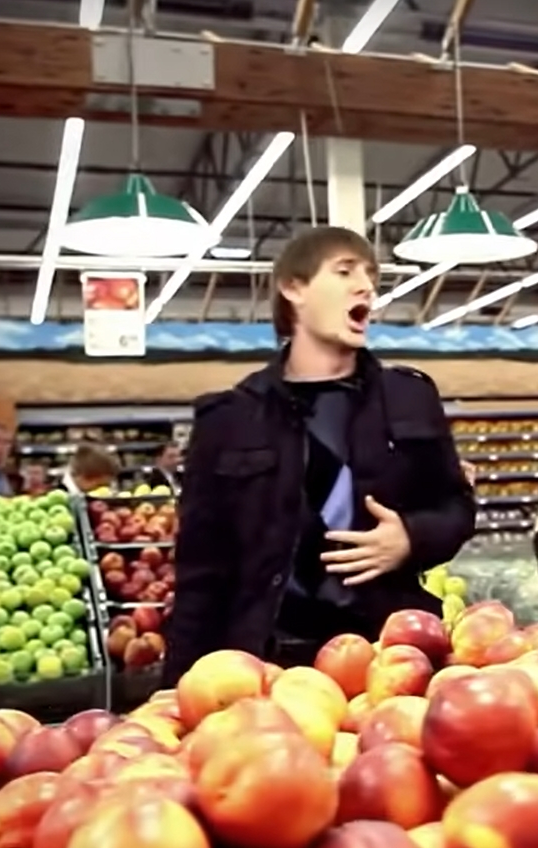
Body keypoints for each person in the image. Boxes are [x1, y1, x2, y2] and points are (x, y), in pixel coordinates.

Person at [163, 226, 476, 683]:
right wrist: (174, 693)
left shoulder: (410, 398)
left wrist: (411, 537)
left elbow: (457, 507)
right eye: (345, 271)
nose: (366, 285)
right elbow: (200, 574)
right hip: (264, 665)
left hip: (387, 660)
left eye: (371, 276)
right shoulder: (229, 418)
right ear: (294, 288)